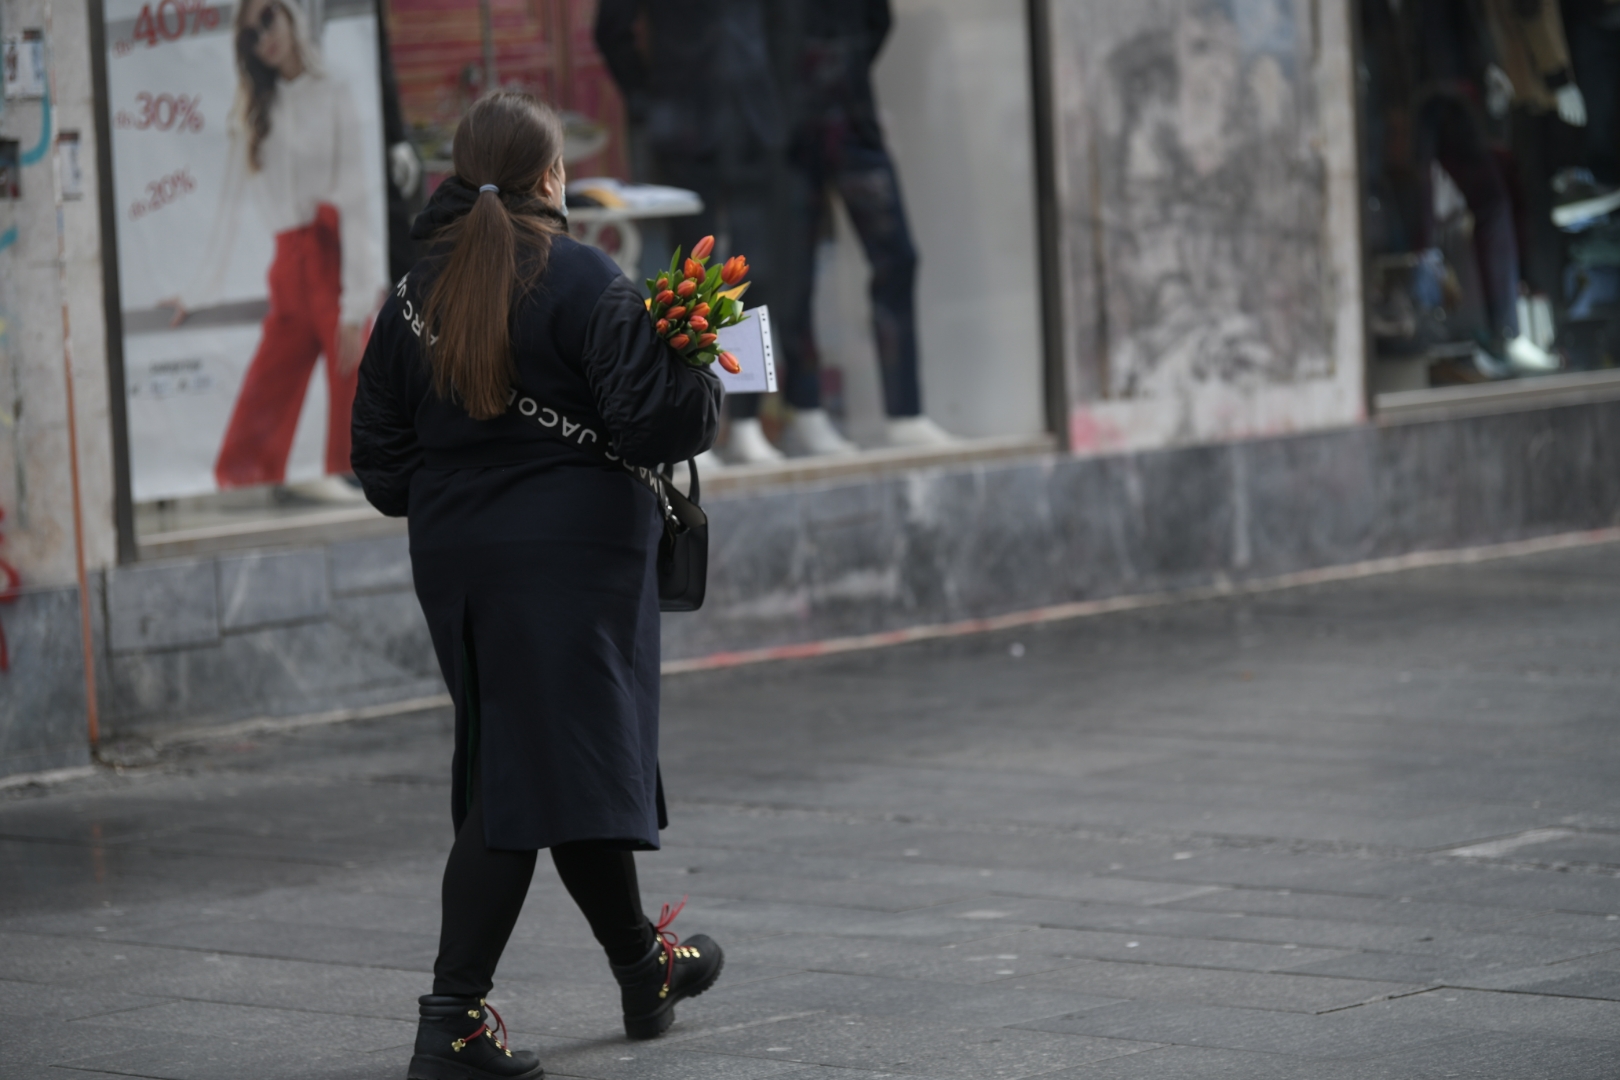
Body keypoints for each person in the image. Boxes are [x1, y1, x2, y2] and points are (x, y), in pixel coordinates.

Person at [350, 92, 725, 1079]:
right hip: (574, 565)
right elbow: (652, 426)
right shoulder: (588, 278)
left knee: (553, 762)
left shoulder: (405, 297)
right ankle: (452, 1020)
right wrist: (697, 369)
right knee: (521, 778)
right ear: (552, 178)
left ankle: (644, 968)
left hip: (459, 566)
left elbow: (383, 472)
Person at [163, 0, 386, 499]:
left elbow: (356, 202)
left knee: (356, 415)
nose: (264, 37)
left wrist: (355, 306)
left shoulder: (334, 92)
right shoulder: (253, 112)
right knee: (254, 423)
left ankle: (355, 497)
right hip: (289, 268)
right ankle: (258, 486)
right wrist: (195, 293)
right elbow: (227, 210)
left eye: (268, 18)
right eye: (249, 36)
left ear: (289, 15)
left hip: (334, 264)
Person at [595, 0, 800, 463]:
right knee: (692, 275)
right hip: (685, 120)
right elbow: (612, 30)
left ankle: (746, 420)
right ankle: (691, 424)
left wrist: (779, 95)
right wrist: (647, 98)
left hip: (754, 120)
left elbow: (783, 24)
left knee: (756, 272)